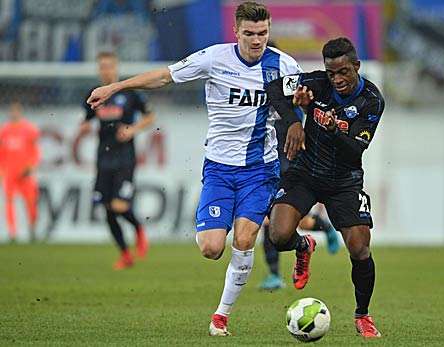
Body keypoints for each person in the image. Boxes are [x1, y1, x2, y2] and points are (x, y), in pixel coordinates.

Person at [86, 2, 303, 337]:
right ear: (236, 32)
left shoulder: (284, 66)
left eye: (263, 33)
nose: (257, 40)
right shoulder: (214, 58)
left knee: (245, 239)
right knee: (211, 248)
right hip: (218, 169)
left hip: (260, 169)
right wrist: (115, 87)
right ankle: (302, 244)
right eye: (249, 33)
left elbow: (299, 109)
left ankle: (221, 316)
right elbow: (163, 77)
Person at [266, 37, 385, 338]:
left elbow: (355, 151)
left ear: (356, 66)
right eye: (331, 73)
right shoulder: (316, 83)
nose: (337, 79)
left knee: (359, 249)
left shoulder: (372, 101)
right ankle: (303, 246)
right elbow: (274, 90)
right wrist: (295, 120)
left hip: (344, 181)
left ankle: (362, 315)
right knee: (278, 235)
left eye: (343, 72)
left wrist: (331, 128)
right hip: (305, 172)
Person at [259, 41, 340, 291]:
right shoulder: (249, 88)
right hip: (261, 161)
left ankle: (318, 229)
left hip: (288, 159)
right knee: (269, 222)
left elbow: (306, 105)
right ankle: (317, 228)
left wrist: (302, 107)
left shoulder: (291, 84)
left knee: (273, 222)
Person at [79, 51, 155, 270]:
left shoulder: (129, 94)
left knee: (119, 205)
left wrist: (132, 129)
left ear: (116, 68)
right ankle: (125, 254)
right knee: (107, 208)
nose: (106, 70)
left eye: (109, 66)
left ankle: (139, 229)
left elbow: (150, 117)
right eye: (102, 66)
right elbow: (87, 119)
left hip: (124, 158)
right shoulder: (93, 94)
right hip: (103, 158)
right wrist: (84, 127)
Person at [0, 101, 40, 243]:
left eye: (16, 111)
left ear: (20, 112)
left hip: (25, 171)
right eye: (12, 111)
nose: (14, 113)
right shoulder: (4, 131)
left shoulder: (29, 129)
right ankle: (12, 232)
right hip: (10, 172)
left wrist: (31, 166)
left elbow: (35, 151)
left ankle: (32, 227)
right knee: (9, 202)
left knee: (31, 201)